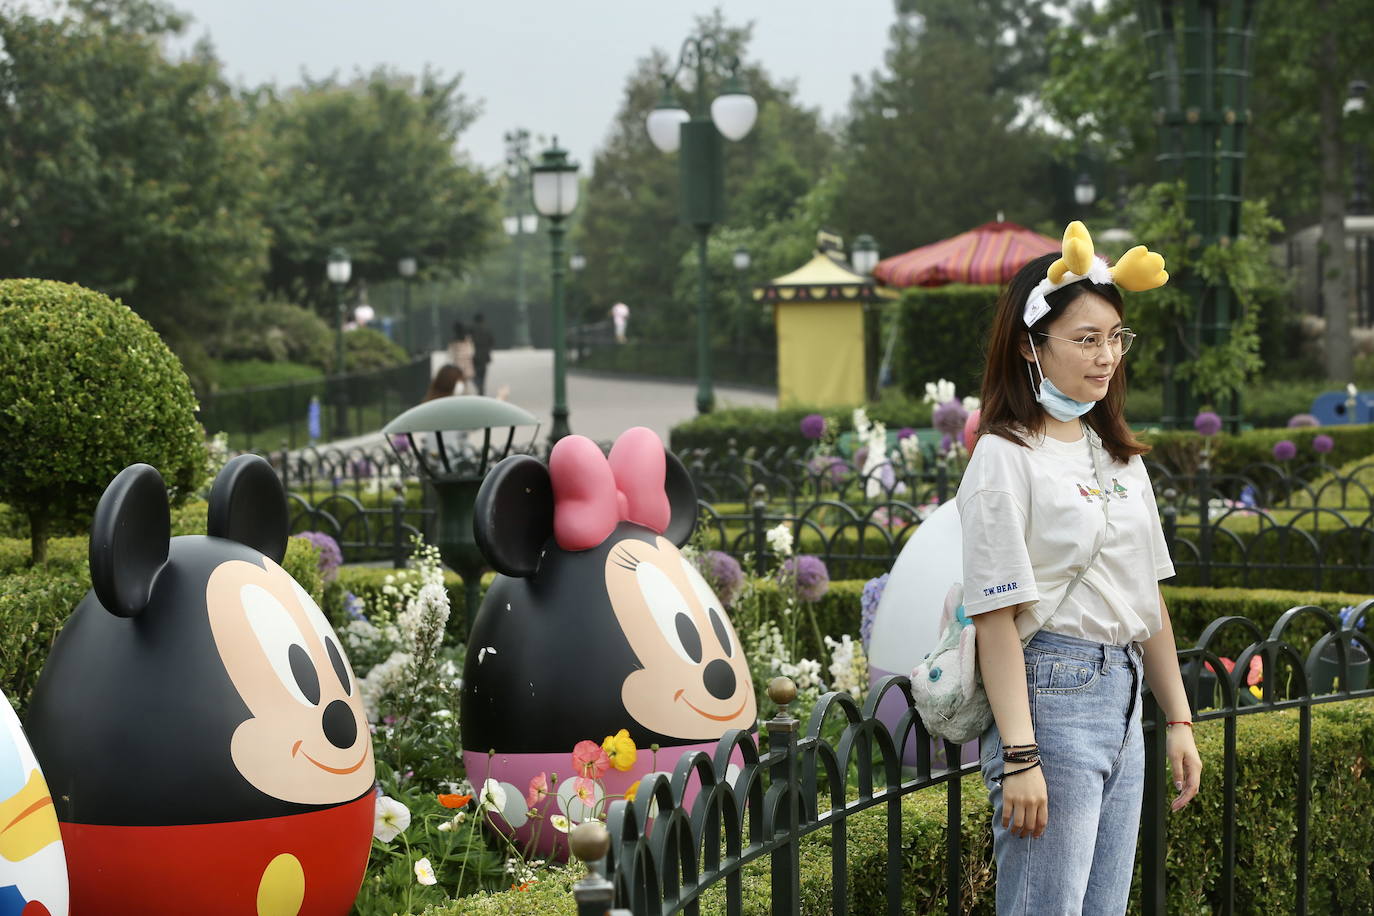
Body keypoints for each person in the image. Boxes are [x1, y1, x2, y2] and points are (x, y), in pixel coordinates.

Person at [958, 222, 1202, 914]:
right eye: (1086, 340)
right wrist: (1021, 756)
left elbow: (1146, 597)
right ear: (1031, 347)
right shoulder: (1004, 458)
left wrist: (1178, 720)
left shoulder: (1117, 455)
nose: (1107, 358)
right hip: (1051, 694)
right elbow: (995, 615)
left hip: (1122, 696)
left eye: (1116, 339)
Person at [470, 313, 495, 396]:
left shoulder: (472, 330)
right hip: (484, 356)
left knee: (474, 374)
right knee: (482, 374)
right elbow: (492, 342)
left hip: (474, 355)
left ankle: (479, 386)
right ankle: (481, 388)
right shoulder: (487, 330)